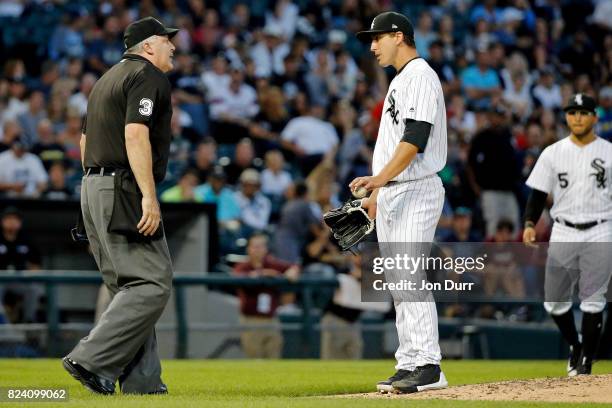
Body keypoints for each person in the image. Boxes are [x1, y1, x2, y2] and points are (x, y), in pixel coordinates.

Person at [62, 17, 179, 395]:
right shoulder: (148, 76)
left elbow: (83, 143)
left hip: (93, 186)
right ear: (148, 46)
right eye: (166, 40)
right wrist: (147, 194)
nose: (173, 47)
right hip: (122, 187)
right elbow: (135, 132)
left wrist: (93, 192)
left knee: (125, 287)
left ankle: (142, 383)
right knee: (152, 283)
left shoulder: (104, 80)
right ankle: (90, 359)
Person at [350, 11, 448, 394]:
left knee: (408, 274)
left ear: (398, 36)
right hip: (394, 190)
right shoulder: (400, 80)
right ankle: (409, 361)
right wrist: (377, 193)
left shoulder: (421, 75)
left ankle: (428, 364)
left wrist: (380, 179)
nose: (372, 46)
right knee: (396, 280)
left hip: (415, 187)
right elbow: (393, 145)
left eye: (377, 38)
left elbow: (416, 137)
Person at [523, 93, 612, 376]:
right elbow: (538, 193)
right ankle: (575, 344)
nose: (577, 117)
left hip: (601, 228)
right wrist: (528, 223)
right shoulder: (552, 152)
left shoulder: (609, 152)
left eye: (583, 112)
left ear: (594, 117)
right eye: (572, 112)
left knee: (593, 299)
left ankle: (586, 362)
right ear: (566, 117)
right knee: (554, 301)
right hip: (563, 229)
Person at [232, 233, 299, 358]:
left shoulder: (271, 264)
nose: (258, 250)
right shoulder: (243, 266)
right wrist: (263, 274)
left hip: (271, 318)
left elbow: (293, 267)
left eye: (261, 246)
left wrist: (292, 271)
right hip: (251, 319)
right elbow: (238, 277)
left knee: (274, 355)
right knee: (254, 358)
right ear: (248, 249)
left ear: (266, 249)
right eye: (254, 246)